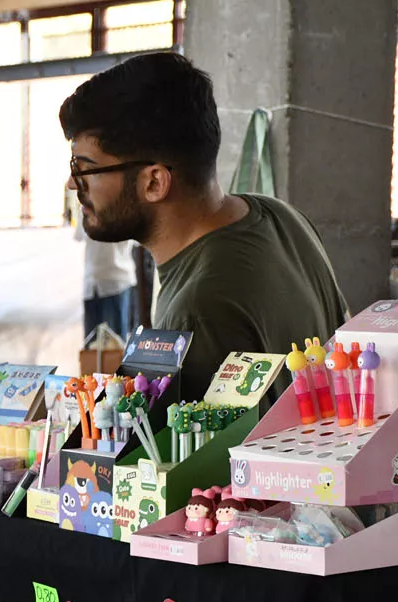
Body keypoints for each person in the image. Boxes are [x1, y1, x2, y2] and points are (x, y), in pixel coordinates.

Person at [60, 52, 346, 400]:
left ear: (154, 183)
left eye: (84, 169)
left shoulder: (194, 313)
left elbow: (194, 454)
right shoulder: (280, 215)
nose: (74, 185)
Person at [72, 190, 137, 343]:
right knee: (91, 344)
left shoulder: (124, 210)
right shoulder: (86, 210)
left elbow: (136, 240)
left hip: (116, 283)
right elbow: (79, 236)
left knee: (115, 344)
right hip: (91, 284)